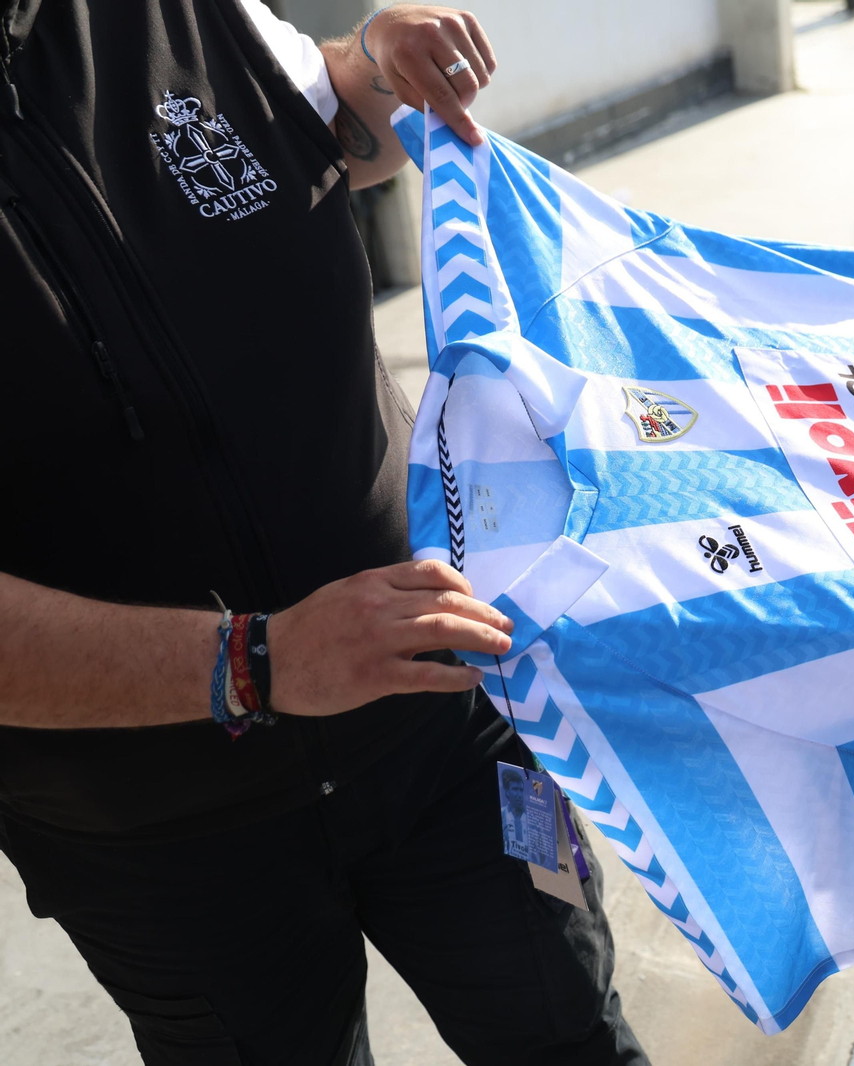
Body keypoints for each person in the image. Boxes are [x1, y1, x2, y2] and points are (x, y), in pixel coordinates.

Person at [0, 2, 647, 1063]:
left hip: (442, 710)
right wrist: (256, 660)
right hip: (160, 835)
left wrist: (381, 66)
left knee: (567, 1032)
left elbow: (332, 125)